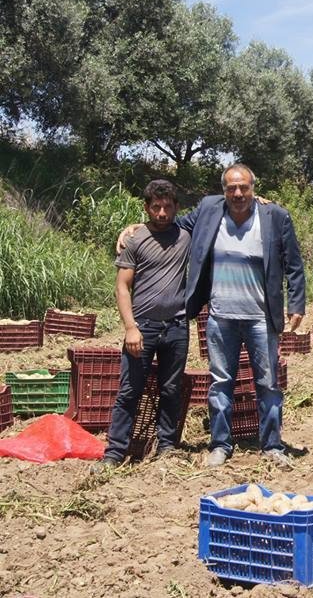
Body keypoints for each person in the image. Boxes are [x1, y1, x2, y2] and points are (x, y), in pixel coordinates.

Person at [181, 164, 306, 468]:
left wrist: (297, 305)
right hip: (221, 317)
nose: (237, 193)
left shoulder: (274, 216)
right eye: (231, 188)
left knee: (268, 384)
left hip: (260, 319)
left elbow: (294, 265)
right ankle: (220, 445)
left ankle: (272, 445)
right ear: (223, 190)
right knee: (221, 382)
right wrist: (135, 229)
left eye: (244, 188)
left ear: (253, 189)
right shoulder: (210, 209)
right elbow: (178, 227)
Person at [94, 180, 191, 472]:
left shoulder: (186, 236)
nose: (162, 213)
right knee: (129, 390)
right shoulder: (136, 240)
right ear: (147, 208)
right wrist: (130, 327)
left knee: (171, 389)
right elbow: (123, 288)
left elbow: (221, 211)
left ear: (176, 207)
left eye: (167, 206)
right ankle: (114, 453)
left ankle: (166, 447)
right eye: (156, 207)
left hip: (176, 326)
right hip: (143, 327)